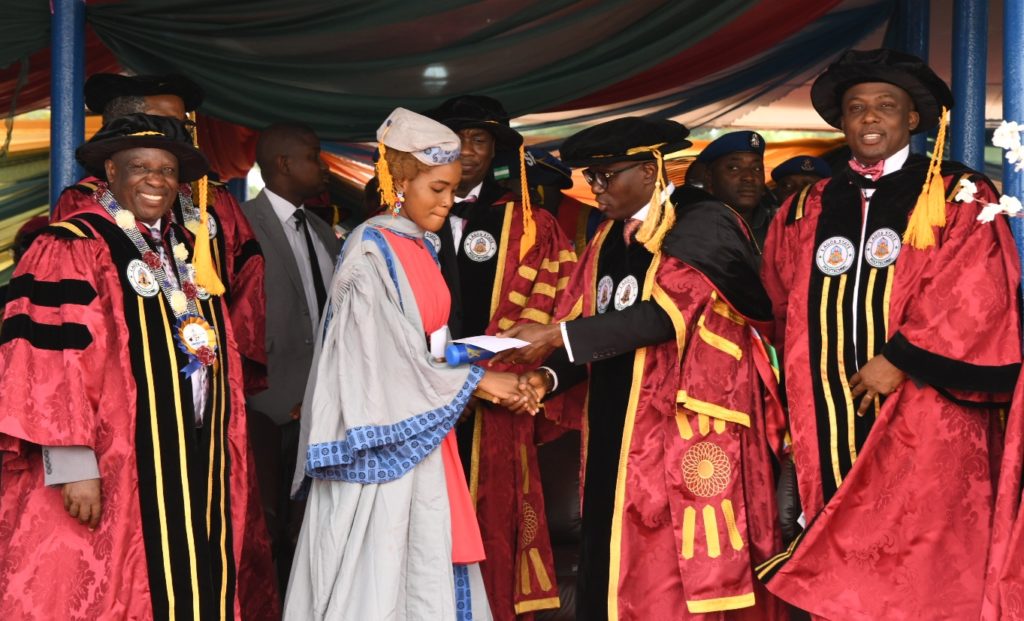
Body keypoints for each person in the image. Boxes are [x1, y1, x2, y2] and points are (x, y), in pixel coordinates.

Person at [758, 48, 1022, 620]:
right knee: (836, 543)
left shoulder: (958, 195)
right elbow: (779, 300)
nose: (870, 118)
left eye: (885, 107)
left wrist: (898, 359)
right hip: (826, 407)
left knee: (918, 549)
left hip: (923, 407)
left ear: (911, 120)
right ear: (842, 122)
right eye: (857, 108)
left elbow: (975, 293)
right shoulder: (806, 206)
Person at [498, 117, 787, 621]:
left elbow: (662, 314)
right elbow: (582, 321)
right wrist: (546, 377)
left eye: (607, 175)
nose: (597, 189)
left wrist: (553, 336)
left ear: (651, 172)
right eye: (593, 178)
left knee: (673, 572)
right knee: (612, 559)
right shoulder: (607, 237)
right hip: (616, 426)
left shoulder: (703, 221)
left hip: (683, 430)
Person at [0, 113, 262, 619]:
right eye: (140, 166)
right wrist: (73, 465)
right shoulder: (72, 244)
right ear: (111, 174)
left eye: (166, 170)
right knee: (110, 588)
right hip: (114, 462)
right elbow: (51, 362)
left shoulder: (185, 252)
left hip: (193, 457)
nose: (156, 180)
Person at [283, 107, 539, 620]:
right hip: (383, 441)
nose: (447, 201)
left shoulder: (420, 244)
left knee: (422, 568)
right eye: (436, 189)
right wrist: (484, 383)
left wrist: (495, 352)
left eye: (451, 189)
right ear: (400, 181)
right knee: (382, 578)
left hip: (419, 429)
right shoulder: (369, 251)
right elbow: (380, 357)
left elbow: (428, 344)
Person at [428, 95, 575, 619]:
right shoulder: (400, 218)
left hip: (499, 407)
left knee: (492, 530)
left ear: (496, 151)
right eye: (457, 139)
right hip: (420, 406)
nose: (467, 152)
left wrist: (511, 381)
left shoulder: (531, 224)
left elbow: (561, 312)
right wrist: (448, 385)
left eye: (480, 141)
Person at [53, 72, 268, 395]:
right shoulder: (83, 205)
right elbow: (72, 314)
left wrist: (229, 363)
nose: (178, 134)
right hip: (127, 385)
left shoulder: (214, 200)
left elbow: (248, 280)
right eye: (166, 123)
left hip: (208, 379)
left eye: (184, 125)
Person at [242, 122, 342, 594]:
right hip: (268, 409)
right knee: (267, 530)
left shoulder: (324, 231)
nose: (323, 168)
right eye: (315, 156)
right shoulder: (239, 224)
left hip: (324, 409)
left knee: (318, 532)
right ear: (283, 163)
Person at [495, 145, 604, 255]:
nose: (536, 196)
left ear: (557, 188)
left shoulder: (590, 222)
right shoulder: (501, 222)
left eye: (536, 187)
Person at [698, 131, 775, 249]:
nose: (749, 177)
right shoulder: (693, 228)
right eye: (734, 168)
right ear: (709, 178)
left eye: (757, 168)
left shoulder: (778, 227)